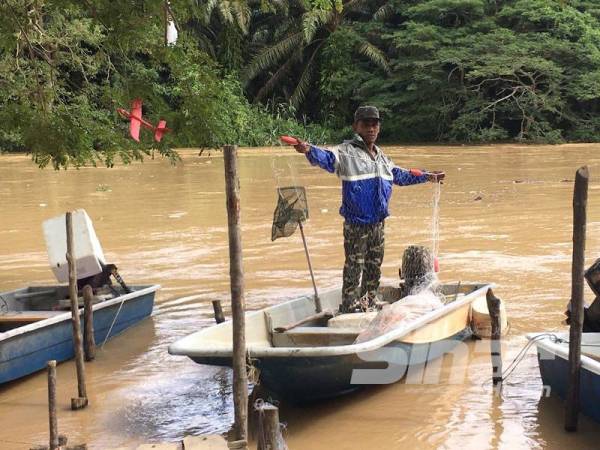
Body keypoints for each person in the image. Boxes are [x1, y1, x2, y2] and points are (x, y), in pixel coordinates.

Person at [294, 106, 445, 313]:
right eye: (366, 124)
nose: (371, 128)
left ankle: (367, 302)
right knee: (354, 267)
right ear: (356, 127)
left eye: (375, 124)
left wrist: (428, 176)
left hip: (378, 223)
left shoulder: (382, 158)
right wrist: (308, 150)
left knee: (374, 268)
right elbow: (325, 158)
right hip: (356, 223)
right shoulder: (345, 153)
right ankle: (349, 306)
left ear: (379, 127)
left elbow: (401, 175)